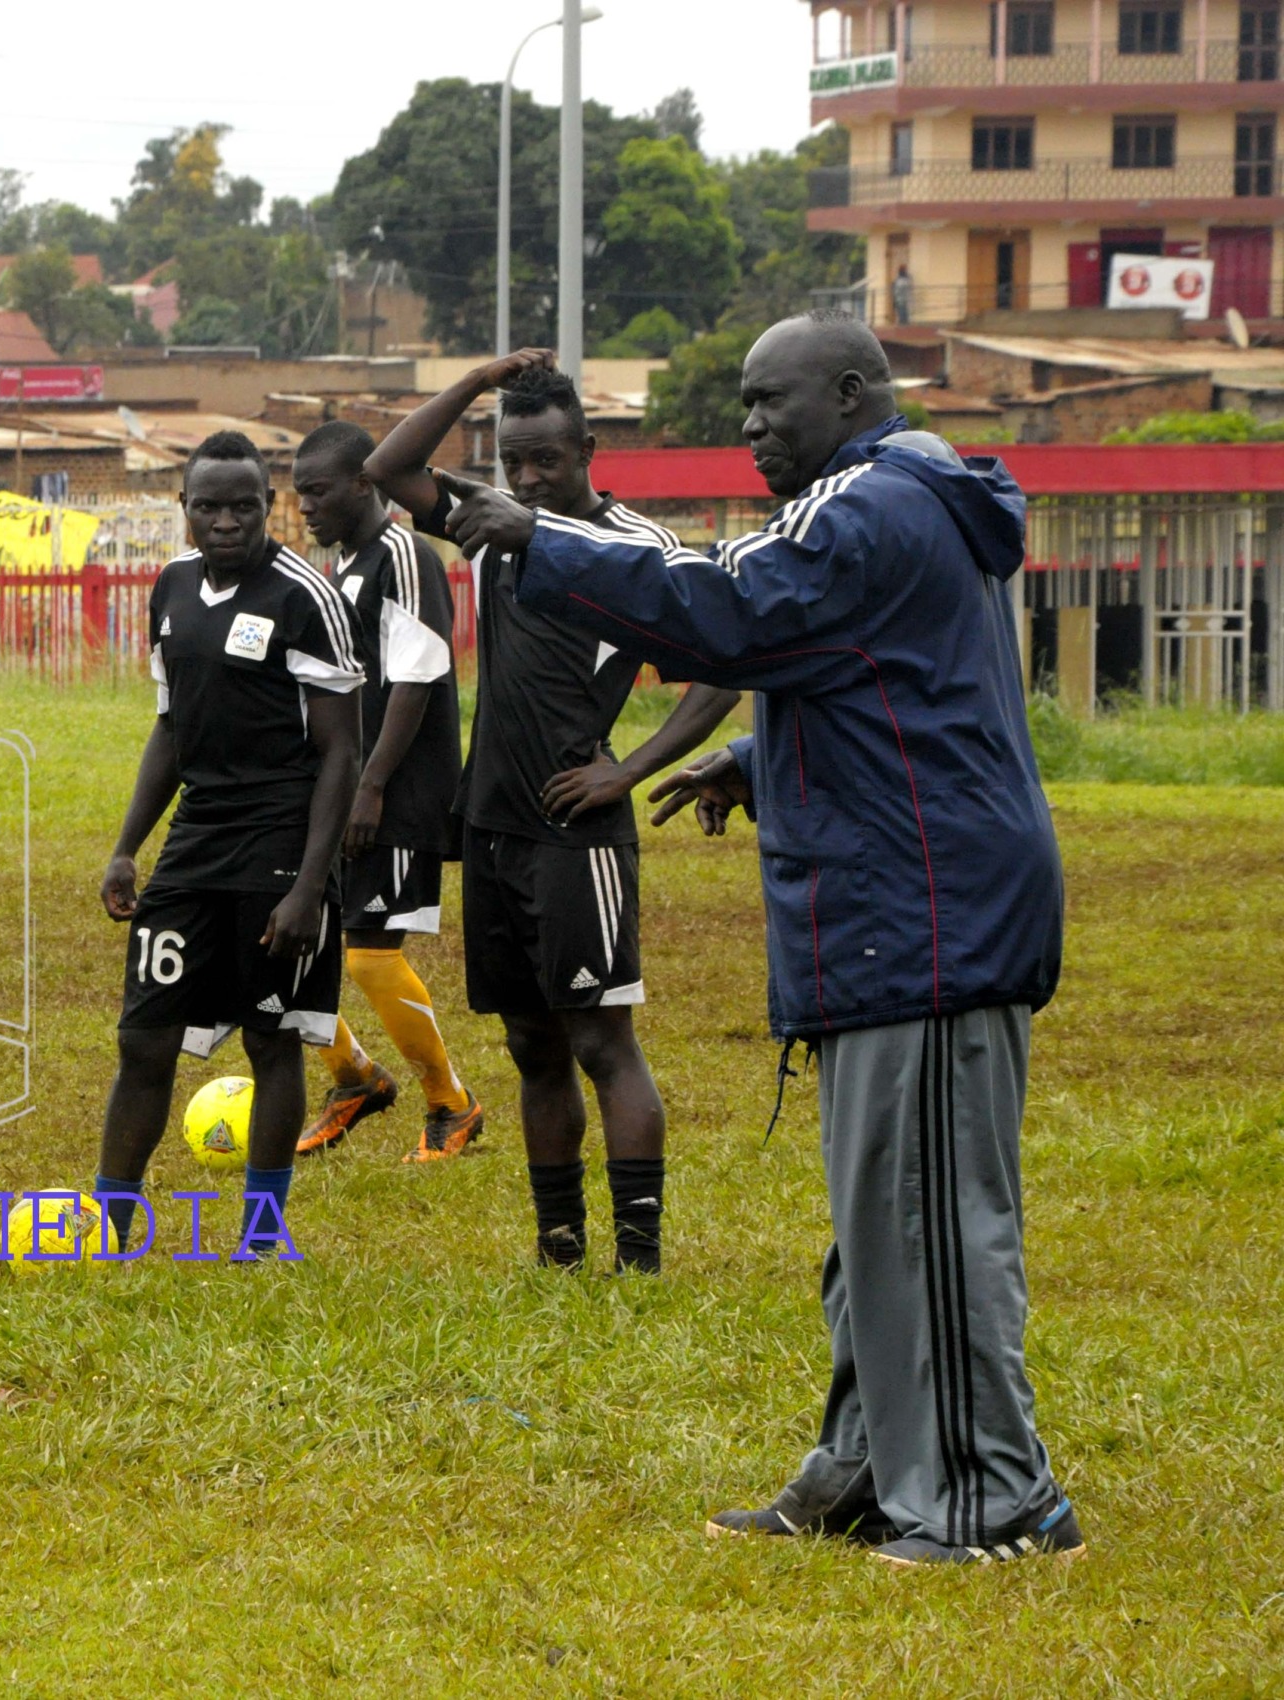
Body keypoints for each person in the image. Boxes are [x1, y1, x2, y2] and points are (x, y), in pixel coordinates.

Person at [442, 311, 1083, 1566]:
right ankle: (870, 1460)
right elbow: (878, 673)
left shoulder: (863, 508)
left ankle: (993, 1499)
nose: (746, 425)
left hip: (929, 919)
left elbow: (726, 611)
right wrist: (755, 756)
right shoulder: (893, 498)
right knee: (877, 1214)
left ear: (848, 394)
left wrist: (544, 540)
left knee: (929, 1220)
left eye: (766, 400)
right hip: (888, 910)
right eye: (740, 402)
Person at [366, 361, 742, 1274]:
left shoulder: (636, 547)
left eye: (546, 459)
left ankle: (641, 1256)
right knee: (530, 1042)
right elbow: (387, 469)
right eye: (513, 460)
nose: (527, 478)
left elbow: (725, 664)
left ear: (588, 450)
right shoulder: (492, 527)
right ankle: (558, 1244)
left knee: (600, 1040)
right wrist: (475, 381)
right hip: (492, 825)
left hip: (580, 834)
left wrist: (630, 771)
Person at [92, 431, 363, 1257]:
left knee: (269, 1037)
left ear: (266, 504)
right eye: (207, 506)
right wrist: (128, 845)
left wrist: (309, 888)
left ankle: (262, 1231)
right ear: (184, 508)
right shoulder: (170, 589)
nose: (225, 521)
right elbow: (170, 727)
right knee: (143, 1036)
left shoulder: (303, 596)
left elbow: (342, 752)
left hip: (281, 841)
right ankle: (109, 1225)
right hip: (197, 841)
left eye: (243, 505)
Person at [284, 419, 483, 1163]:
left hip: (396, 794)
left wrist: (370, 787)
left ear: (365, 484)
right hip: (346, 791)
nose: (305, 506)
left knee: (367, 955)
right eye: (299, 491)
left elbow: (419, 673)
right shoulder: (349, 566)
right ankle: (356, 1078)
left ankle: (450, 1103)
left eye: (318, 490)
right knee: (291, 944)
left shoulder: (402, 553)